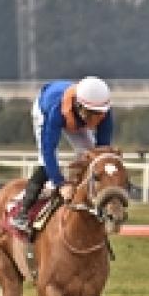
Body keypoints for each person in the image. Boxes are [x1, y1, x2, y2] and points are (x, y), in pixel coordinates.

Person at [11, 76, 114, 234]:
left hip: (74, 116)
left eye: (98, 114)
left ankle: (90, 201)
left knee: (92, 156)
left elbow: (101, 152)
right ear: (79, 106)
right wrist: (61, 184)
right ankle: (22, 211)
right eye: (91, 113)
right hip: (44, 109)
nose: (95, 119)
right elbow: (48, 150)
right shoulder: (56, 111)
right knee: (45, 163)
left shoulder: (104, 112)